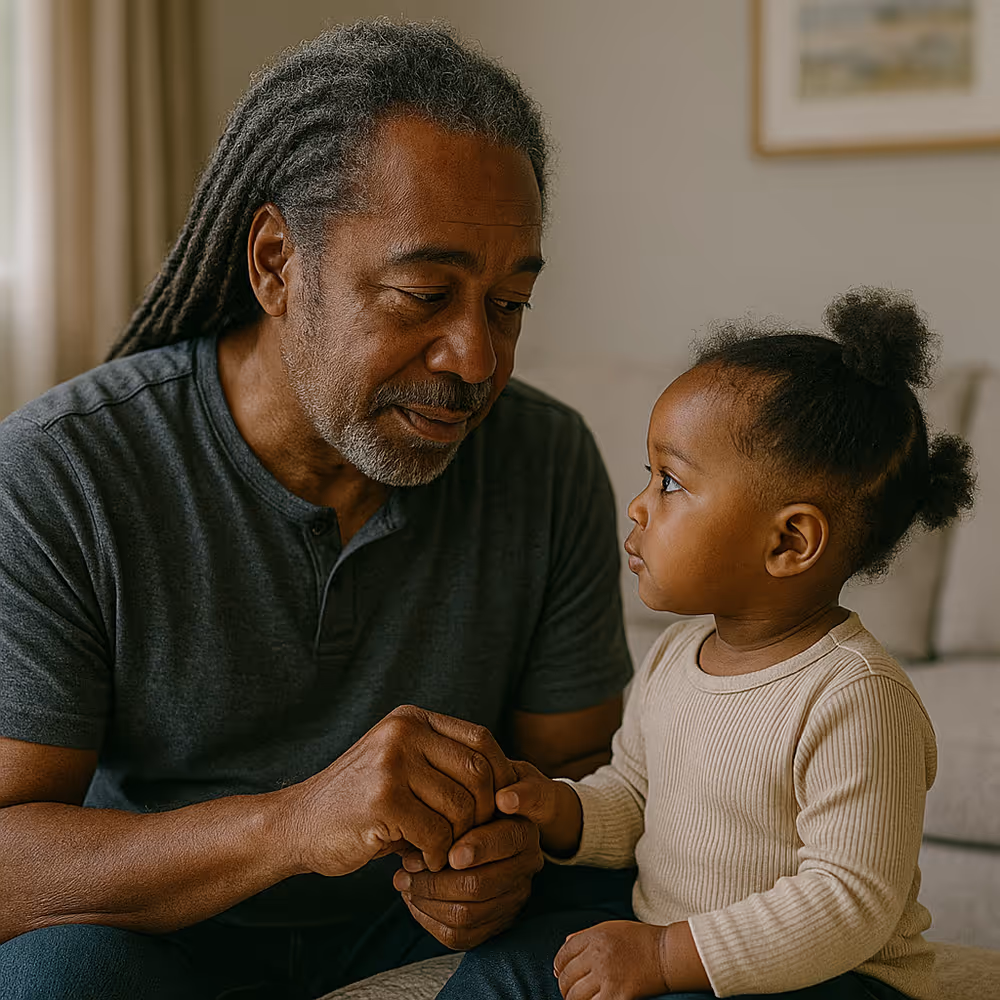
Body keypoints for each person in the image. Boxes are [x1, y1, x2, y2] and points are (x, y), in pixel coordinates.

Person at [0, 21, 632, 1000]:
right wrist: (293, 823)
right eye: (424, 293)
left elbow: (585, 775)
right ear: (274, 264)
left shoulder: (544, 462)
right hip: (156, 939)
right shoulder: (63, 471)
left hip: (418, 937)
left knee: (647, 950)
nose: (476, 359)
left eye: (507, 305)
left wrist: (515, 850)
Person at [440, 287, 977, 1000]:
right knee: (505, 967)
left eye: (669, 482)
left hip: (829, 978)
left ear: (789, 540)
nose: (637, 505)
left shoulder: (855, 698)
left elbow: (849, 903)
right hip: (671, 946)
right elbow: (631, 796)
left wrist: (664, 955)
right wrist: (560, 809)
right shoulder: (673, 656)